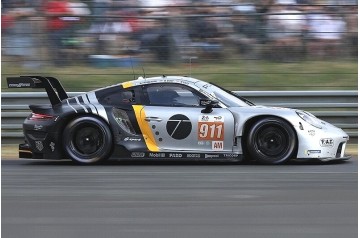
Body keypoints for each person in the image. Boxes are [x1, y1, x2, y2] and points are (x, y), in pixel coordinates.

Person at [44, 0, 73, 66]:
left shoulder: (63, 3)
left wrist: (56, 14)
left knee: (61, 46)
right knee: (53, 46)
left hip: (62, 29)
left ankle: (62, 62)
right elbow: (46, 13)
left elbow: (70, 13)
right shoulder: (47, 4)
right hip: (51, 29)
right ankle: (56, 62)